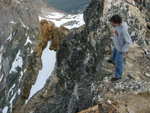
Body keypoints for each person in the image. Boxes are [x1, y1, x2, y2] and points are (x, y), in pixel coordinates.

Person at [108, 15, 133, 82]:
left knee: (119, 61)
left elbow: (128, 41)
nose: (111, 23)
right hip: (117, 45)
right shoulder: (117, 26)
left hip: (121, 48)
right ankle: (112, 60)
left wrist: (123, 50)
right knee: (114, 52)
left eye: (112, 22)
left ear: (117, 23)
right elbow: (117, 33)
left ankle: (118, 76)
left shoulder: (123, 30)